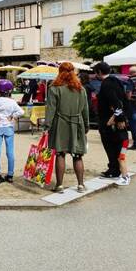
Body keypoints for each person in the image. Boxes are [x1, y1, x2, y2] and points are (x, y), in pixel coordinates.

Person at [44, 62, 90, 193]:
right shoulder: (81, 89)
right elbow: (85, 110)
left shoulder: (54, 88)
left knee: (60, 154)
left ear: (60, 72)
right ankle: (81, 185)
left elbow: (51, 110)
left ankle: (59, 186)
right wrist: (86, 126)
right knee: (77, 155)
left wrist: (47, 126)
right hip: (77, 123)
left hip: (60, 124)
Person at [94, 62, 129, 180]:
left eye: (96, 72)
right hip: (116, 118)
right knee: (117, 146)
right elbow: (124, 100)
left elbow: (116, 103)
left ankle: (114, 170)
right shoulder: (117, 81)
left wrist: (118, 118)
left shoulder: (106, 84)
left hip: (109, 121)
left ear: (99, 72)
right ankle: (116, 169)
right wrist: (122, 117)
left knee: (110, 146)